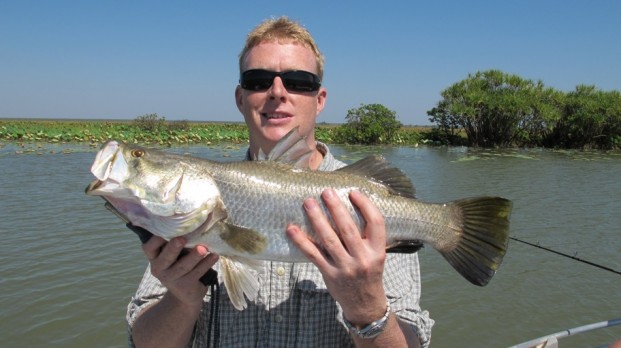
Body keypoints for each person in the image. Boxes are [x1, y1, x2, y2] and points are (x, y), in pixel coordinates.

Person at [127, 16, 433, 347]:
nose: (277, 92)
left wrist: (367, 309)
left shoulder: (369, 203)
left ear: (320, 99)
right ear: (240, 98)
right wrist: (182, 300)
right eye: (258, 80)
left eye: (299, 81)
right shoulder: (189, 209)